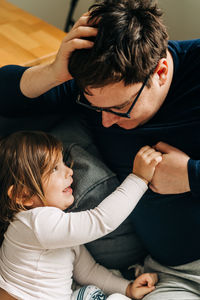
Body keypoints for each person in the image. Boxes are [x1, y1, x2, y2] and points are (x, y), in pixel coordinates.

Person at [0, 0, 200, 298]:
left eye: (120, 108)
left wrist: (190, 175)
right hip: (170, 276)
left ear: (159, 72)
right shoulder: (97, 84)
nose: (105, 122)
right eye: (94, 107)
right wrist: (55, 71)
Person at [0, 131, 161, 300]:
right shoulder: (32, 222)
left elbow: (89, 271)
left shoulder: (60, 231)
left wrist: (127, 288)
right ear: (23, 195)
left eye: (64, 163)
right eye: (55, 168)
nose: (69, 171)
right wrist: (139, 178)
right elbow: (101, 221)